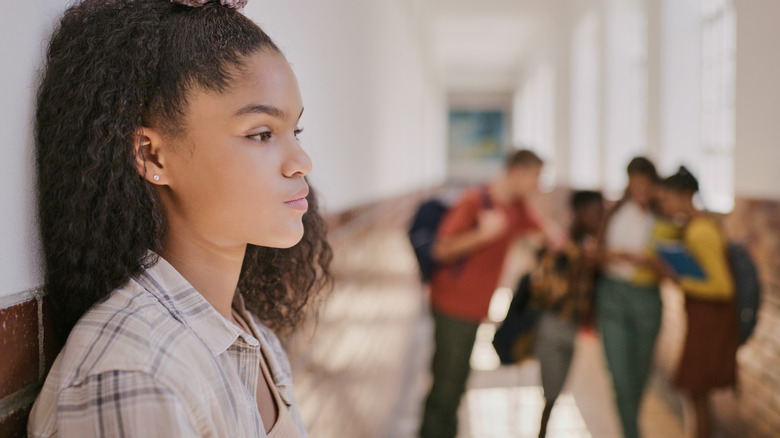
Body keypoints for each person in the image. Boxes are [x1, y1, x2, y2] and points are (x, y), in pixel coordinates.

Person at [28, 1, 332, 436]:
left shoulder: (250, 336)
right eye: (261, 134)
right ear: (153, 155)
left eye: (294, 132)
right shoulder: (135, 372)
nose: (301, 161)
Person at [420, 149, 557, 438]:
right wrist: (483, 234)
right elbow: (440, 248)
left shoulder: (515, 207)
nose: (538, 185)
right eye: (535, 177)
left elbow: (546, 231)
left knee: (456, 383)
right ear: (517, 172)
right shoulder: (475, 201)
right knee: (447, 387)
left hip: (474, 307)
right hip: (453, 305)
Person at [655, 167, 738, 438]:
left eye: (667, 198)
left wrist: (677, 278)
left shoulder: (700, 231)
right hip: (702, 320)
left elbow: (722, 287)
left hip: (709, 323)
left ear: (685, 196)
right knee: (696, 394)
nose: (663, 205)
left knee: (696, 391)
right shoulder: (697, 225)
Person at [595, 157, 663, 438]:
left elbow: (673, 266)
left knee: (639, 376)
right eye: (635, 182)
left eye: (646, 182)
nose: (640, 188)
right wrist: (616, 255)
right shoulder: (615, 213)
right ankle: (632, 433)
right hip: (613, 295)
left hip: (646, 298)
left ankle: (630, 425)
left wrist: (648, 262)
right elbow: (598, 254)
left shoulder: (662, 217)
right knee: (620, 377)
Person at [533, 190, 604, 438]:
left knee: (557, 388)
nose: (599, 217)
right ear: (579, 213)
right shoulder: (565, 247)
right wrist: (577, 263)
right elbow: (548, 289)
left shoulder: (588, 246)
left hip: (569, 327)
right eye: (595, 212)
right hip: (553, 324)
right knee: (551, 391)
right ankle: (541, 433)